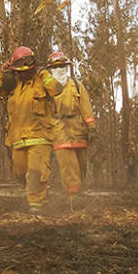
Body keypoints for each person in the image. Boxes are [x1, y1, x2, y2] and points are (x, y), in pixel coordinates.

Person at [0, 46, 62, 210]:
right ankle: (36, 194)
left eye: (27, 70)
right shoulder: (12, 85)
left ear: (33, 67)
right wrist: (2, 73)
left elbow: (57, 90)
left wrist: (44, 74)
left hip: (40, 136)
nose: (24, 74)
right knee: (19, 172)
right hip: (18, 138)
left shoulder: (42, 81)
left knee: (36, 171)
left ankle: (35, 205)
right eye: (20, 71)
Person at [46, 50, 96, 196]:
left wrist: (91, 128)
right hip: (59, 130)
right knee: (68, 166)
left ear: (66, 67)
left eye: (62, 66)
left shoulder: (77, 85)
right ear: (50, 70)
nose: (59, 70)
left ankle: (78, 191)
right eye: (55, 68)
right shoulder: (47, 89)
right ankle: (73, 197)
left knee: (81, 166)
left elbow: (86, 108)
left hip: (78, 129)